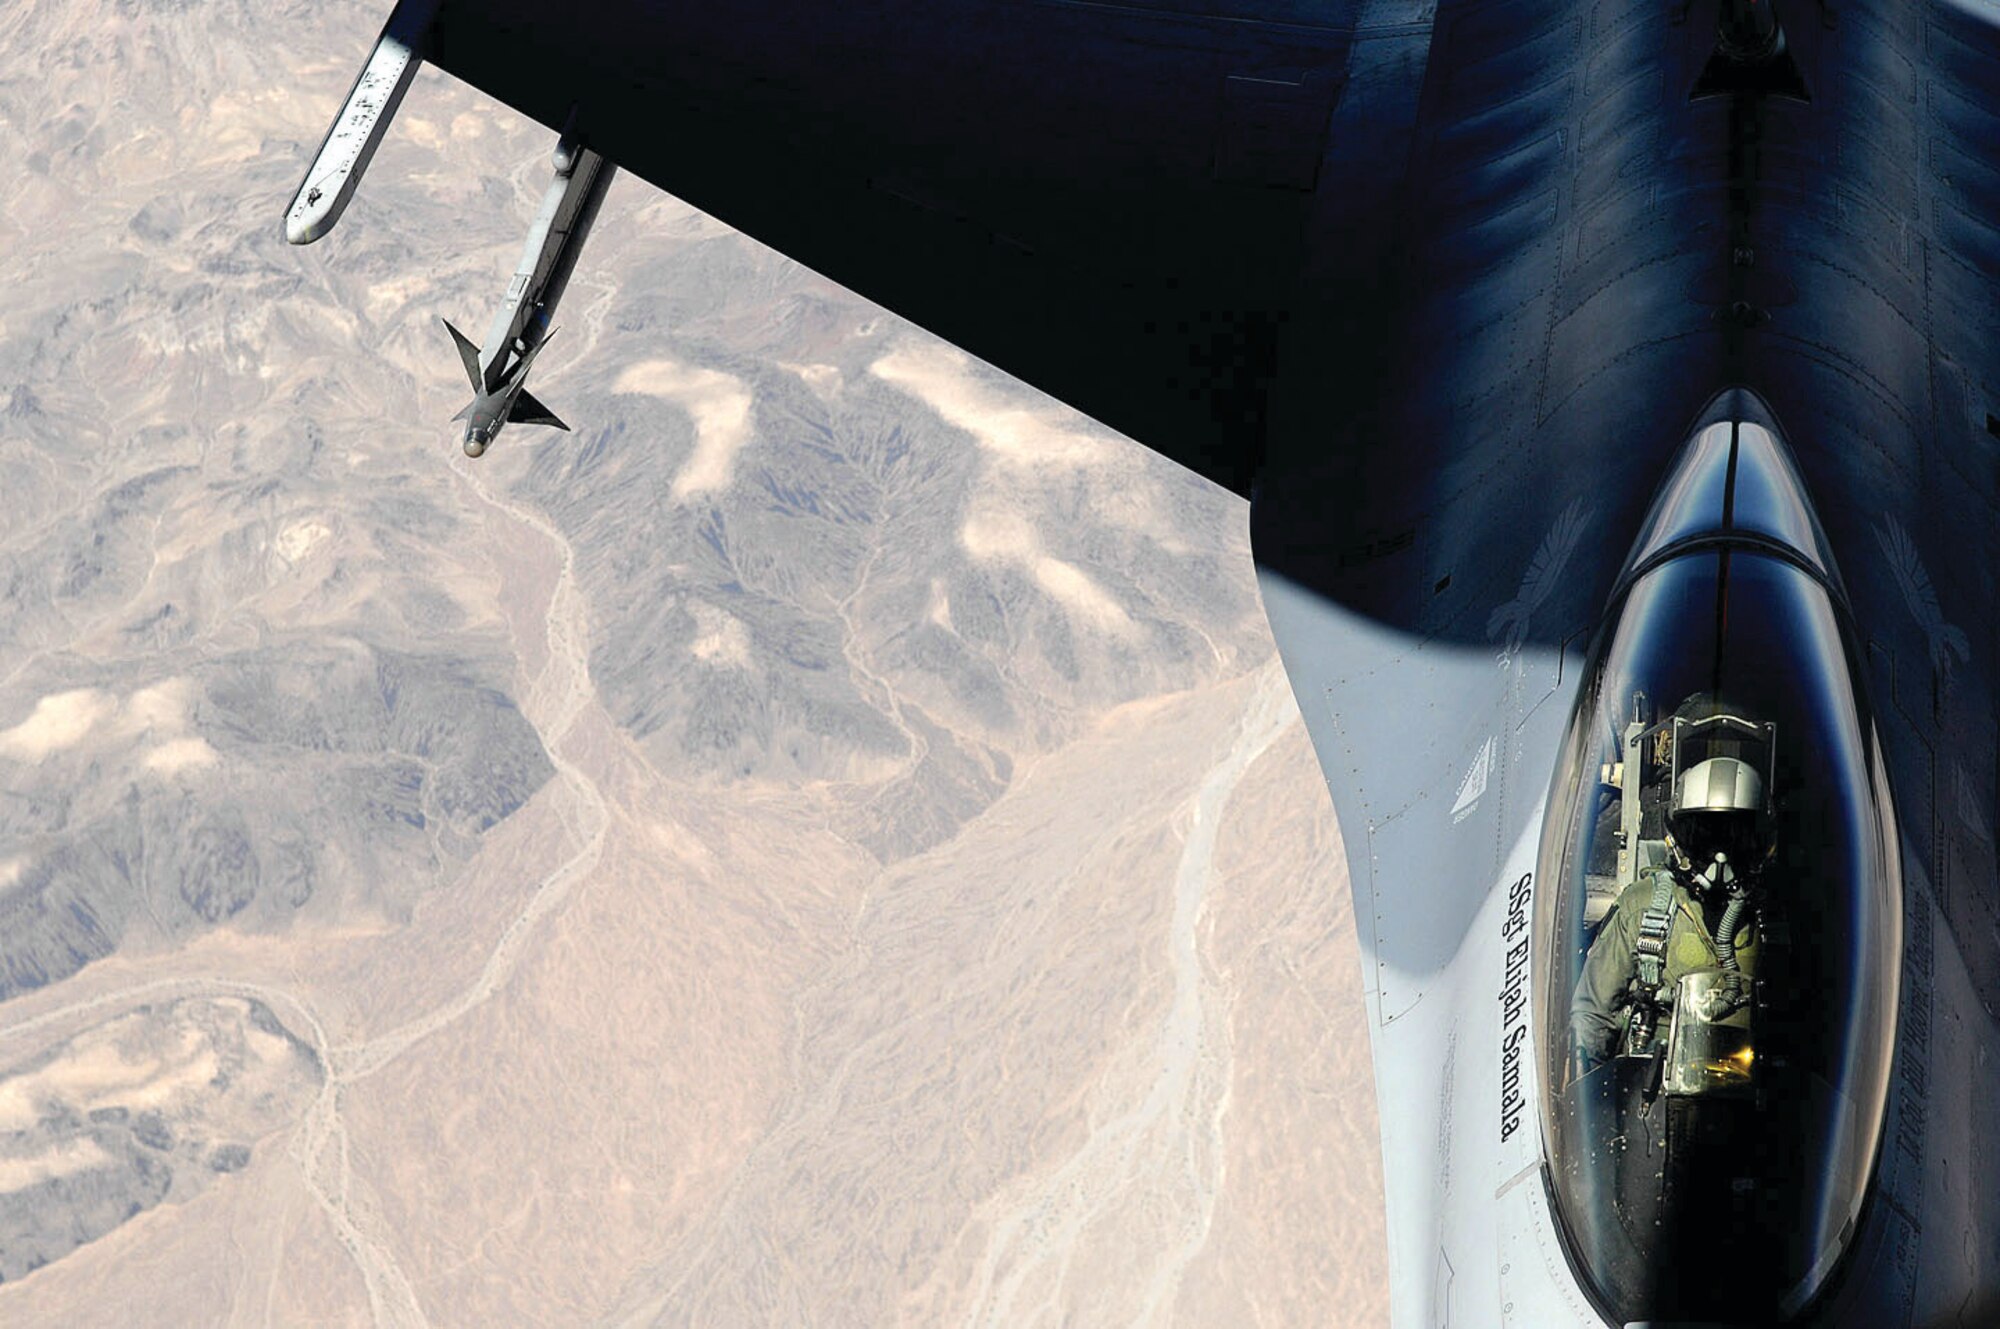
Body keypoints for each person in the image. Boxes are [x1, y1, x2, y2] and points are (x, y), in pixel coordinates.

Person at [1570, 748, 1767, 1067]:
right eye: (1704, 838)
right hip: (1654, 1082)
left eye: (1733, 839)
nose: (1719, 860)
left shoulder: (1774, 918)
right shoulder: (1643, 908)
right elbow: (1592, 1017)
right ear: (1678, 840)